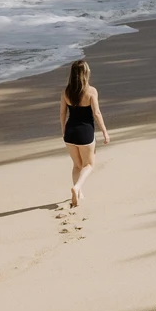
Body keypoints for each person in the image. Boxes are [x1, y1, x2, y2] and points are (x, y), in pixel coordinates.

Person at [60, 58, 109, 207]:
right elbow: (97, 113)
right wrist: (105, 133)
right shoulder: (91, 91)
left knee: (76, 165)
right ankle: (77, 187)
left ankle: (79, 193)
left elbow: (62, 114)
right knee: (88, 165)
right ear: (85, 74)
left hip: (70, 132)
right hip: (85, 133)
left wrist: (64, 130)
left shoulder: (66, 92)